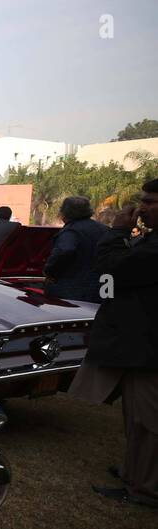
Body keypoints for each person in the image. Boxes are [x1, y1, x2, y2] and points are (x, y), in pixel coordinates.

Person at [68, 181, 158, 507]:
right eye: (143, 201)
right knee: (136, 417)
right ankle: (135, 473)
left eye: (151, 202)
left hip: (147, 349)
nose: (143, 207)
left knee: (147, 421)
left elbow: (112, 270)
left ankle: (144, 487)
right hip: (139, 344)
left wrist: (118, 232)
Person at [45, 196, 106, 303]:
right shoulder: (104, 229)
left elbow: (65, 250)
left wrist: (49, 271)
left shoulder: (71, 231)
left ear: (65, 212)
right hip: (101, 289)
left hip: (72, 291)